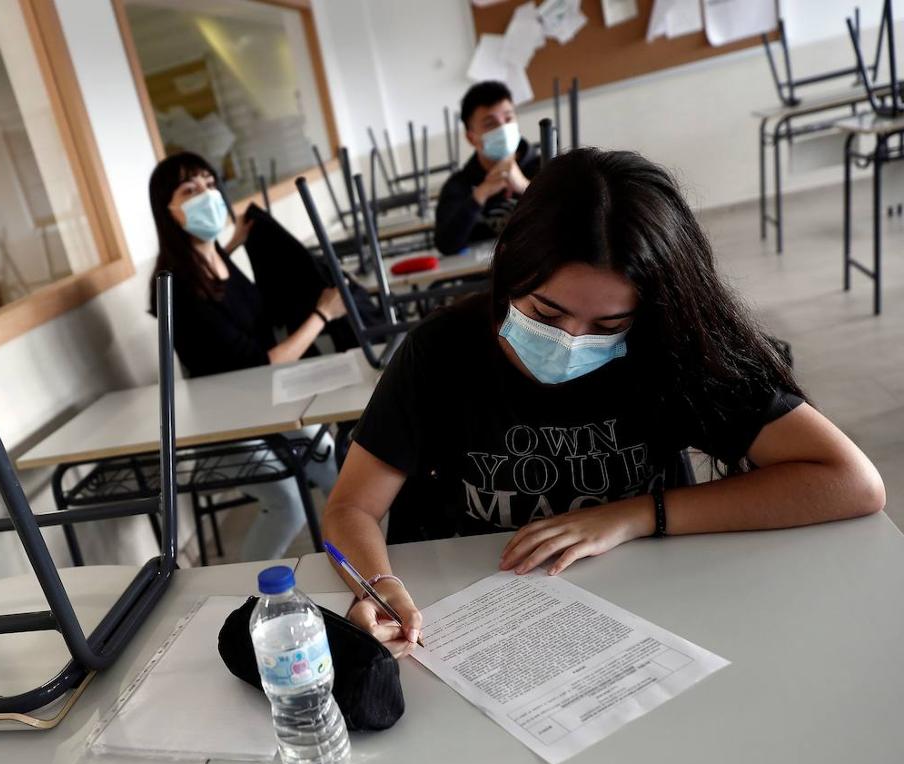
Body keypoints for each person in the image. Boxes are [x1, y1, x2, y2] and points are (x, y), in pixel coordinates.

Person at [323, 148, 885, 657]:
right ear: (508, 270)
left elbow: (850, 481)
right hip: (478, 620)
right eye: (546, 314)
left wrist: (637, 515)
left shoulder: (669, 346)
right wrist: (380, 586)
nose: (570, 340)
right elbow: (351, 508)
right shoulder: (441, 352)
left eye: (609, 324)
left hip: (653, 615)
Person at [147, 151, 344, 560]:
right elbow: (260, 360)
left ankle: (356, 560)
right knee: (287, 505)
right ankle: (246, 596)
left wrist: (233, 246)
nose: (206, 193)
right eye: (189, 189)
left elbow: (237, 310)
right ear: (169, 211)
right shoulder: (175, 284)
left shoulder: (215, 257)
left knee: (330, 461)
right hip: (224, 422)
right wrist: (323, 313)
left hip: (261, 402)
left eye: (209, 183)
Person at [434, 81, 541, 256]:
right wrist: (480, 194)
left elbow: (571, 221)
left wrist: (525, 187)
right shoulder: (458, 185)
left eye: (508, 118)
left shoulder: (544, 166)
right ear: (472, 138)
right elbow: (446, 245)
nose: (503, 128)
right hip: (485, 278)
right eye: (490, 124)